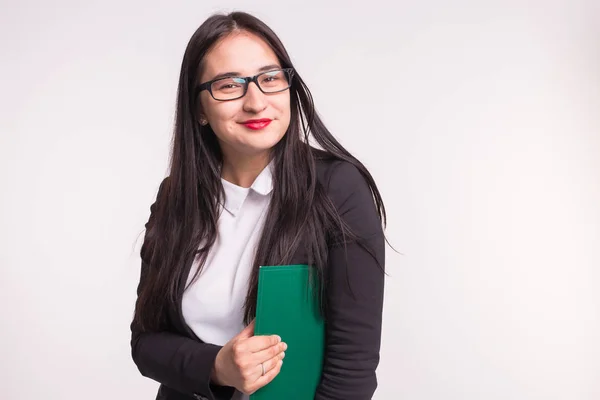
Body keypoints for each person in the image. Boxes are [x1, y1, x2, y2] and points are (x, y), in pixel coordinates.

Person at [130, 10, 387, 400]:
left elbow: (352, 370)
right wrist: (218, 367)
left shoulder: (338, 189)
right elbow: (146, 344)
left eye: (269, 79)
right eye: (229, 85)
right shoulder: (174, 197)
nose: (255, 102)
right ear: (199, 108)